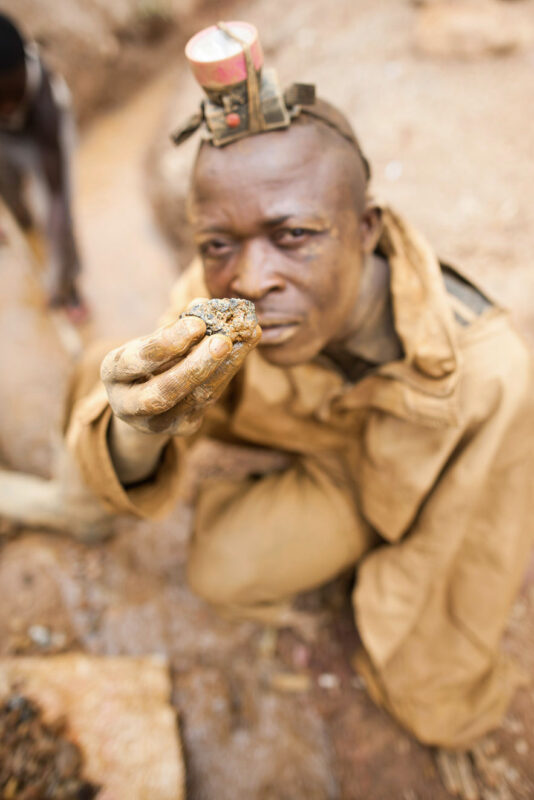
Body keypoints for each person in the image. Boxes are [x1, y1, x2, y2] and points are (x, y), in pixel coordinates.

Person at [2, 21, 534, 798]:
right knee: (104, 371)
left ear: (366, 230)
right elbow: (150, 399)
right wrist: (136, 429)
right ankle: (82, 501)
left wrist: (425, 675)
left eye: (294, 235)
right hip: (284, 436)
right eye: (220, 242)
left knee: (226, 572)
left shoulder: (485, 378)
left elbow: (463, 556)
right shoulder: (213, 296)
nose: (250, 277)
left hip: (364, 483)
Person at [0, 12, 87, 322]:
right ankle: (21, 223)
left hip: (39, 140)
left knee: (58, 214)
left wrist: (58, 280)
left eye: (11, 95)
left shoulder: (48, 106)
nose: (6, 105)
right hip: (4, 138)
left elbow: (57, 200)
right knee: (7, 188)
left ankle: (71, 287)